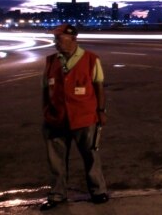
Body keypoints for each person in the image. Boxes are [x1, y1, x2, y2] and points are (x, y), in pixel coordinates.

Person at [40, 23, 109, 211]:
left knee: (91, 156)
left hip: (85, 118)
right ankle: (57, 194)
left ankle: (98, 191)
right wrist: (46, 113)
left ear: (73, 39)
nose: (56, 43)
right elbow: (46, 90)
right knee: (56, 161)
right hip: (56, 120)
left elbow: (99, 87)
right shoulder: (51, 61)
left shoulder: (91, 60)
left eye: (59, 39)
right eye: (55, 39)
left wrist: (101, 111)